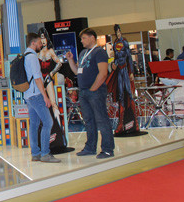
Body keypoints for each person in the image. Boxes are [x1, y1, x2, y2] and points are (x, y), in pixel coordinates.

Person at [67, 28, 115, 159]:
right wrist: (71, 60)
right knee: (88, 121)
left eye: (84, 38)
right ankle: (90, 147)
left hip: (95, 91)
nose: (81, 41)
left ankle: (107, 149)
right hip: (84, 92)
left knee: (101, 120)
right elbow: (77, 71)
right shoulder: (83, 53)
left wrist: (93, 88)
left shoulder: (99, 52)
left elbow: (103, 73)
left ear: (92, 38)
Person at [23, 32, 61, 163]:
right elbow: (38, 78)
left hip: (28, 95)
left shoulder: (25, 55)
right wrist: (45, 96)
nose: (41, 44)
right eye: (39, 42)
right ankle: (45, 153)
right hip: (36, 95)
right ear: (33, 43)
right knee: (48, 122)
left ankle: (35, 153)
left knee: (34, 124)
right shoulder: (33, 57)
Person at [107, 25, 141, 135]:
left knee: (129, 94)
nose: (117, 33)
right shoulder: (115, 43)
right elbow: (116, 58)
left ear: (120, 31)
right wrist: (114, 64)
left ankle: (134, 123)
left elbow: (129, 57)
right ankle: (122, 123)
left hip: (125, 69)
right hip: (119, 70)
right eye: (116, 32)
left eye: (118, 31)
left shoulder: (124, 42)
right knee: (121, 95)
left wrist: (131, 72)